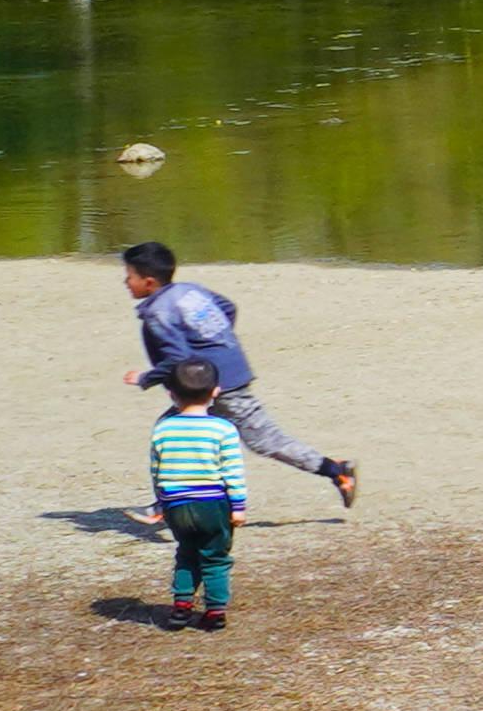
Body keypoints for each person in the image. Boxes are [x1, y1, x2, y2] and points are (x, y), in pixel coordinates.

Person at [119, 245, 355, 509]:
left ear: (149, 282)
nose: (126, 282)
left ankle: (337, 471)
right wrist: (217, 342)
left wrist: (146, 378)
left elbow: (177, 360)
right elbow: (227, 308)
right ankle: (165, 504)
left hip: (216, 386)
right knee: (173, 432)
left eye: (129, 276)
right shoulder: (189, 291)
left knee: (264, 440)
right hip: (219, 378)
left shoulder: (158, 313)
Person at [148, 357, 248, 618]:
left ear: (171, 394)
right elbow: (232, 472)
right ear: (216, 391)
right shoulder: (223, 429)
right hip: (212, 503)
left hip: (175, 503)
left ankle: (182, 604)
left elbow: (157, 470)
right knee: (215, 555)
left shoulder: (163, 428)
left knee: (186, 552)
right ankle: (215, 608)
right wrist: (238, 506)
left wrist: (160, 501)